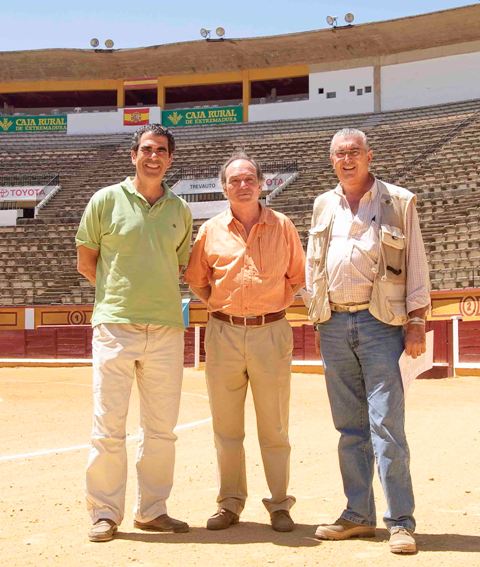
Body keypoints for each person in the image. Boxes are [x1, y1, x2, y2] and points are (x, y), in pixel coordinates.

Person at [305, 128, 430, 554]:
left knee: (386, 425)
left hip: (382, 324)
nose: (347, 159)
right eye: (339, 154)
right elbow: (313, 262)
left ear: (369, 156)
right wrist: (316, 311)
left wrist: (416, 319)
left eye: (354, 152)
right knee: (349, 427)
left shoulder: (399, 200)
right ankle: (358, 514)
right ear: (332, 160)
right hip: (335, 323)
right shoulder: (323, 204)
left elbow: (415, 261)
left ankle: (400, 521)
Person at [76, 124, 193, 542]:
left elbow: (177, 266)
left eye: (161, 150)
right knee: (108, 425)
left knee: (161, 429)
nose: (153, 156)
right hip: (115, 326)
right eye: (146, 149)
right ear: (133, 155)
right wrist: (119, 299)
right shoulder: (105, 200)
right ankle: (105, 513)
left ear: (170, 158)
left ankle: (153, 510)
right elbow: (86, 261)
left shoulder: (180, 210)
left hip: (165, 328)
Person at [184, 153, 305, 532]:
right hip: (224, 332)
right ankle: (230, 502)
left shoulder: (283, 226)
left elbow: (297, 277)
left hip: (272, 331)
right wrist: (226, 308)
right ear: (224, 187)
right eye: (234, 180)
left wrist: (269, 305)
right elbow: (198, 280)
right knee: (226, 426)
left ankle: (280, 503)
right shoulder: (210, 230)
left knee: (275, 425)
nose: (242, 185)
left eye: (249, 178)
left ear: (262, 183)